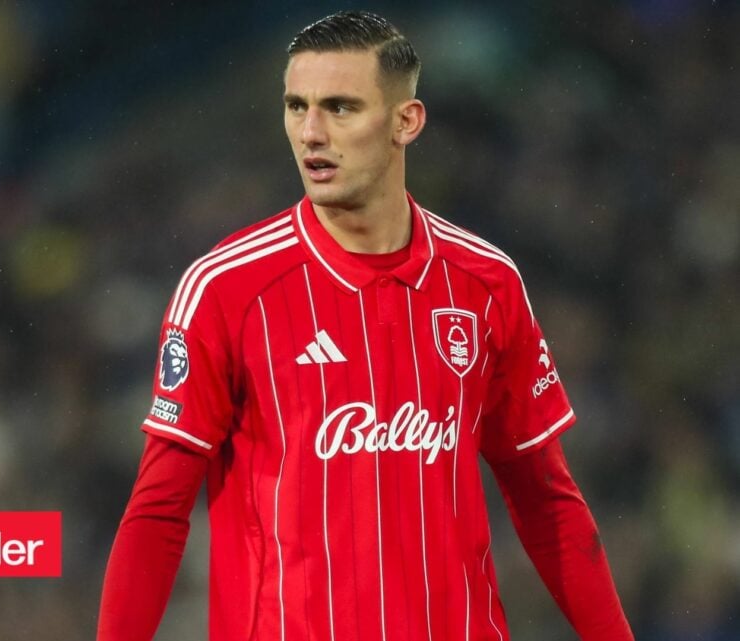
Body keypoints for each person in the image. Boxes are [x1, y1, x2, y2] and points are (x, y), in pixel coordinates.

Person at [98, 11, 633, 641]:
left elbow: (548, 503)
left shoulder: (486, 283)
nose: (311, 133)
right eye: (297, 107)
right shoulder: (225, 290)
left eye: (340, 107)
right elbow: (157, 514)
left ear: (406, 121)